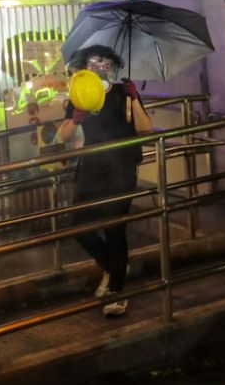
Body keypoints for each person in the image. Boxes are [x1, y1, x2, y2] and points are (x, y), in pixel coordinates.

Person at [58, 46, 153, 317]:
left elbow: (146, 129)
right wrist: (76, 119)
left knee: (114, 228)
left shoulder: (125, 93)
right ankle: (113, 268)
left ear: (114, 65)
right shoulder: (80, 94)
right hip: (92, 167)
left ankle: (118, 292)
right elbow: (63, 136)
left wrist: (134, 97)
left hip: (121, 166)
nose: (98, 66)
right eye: (91, 62)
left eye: (103, 61)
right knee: (78, 225)